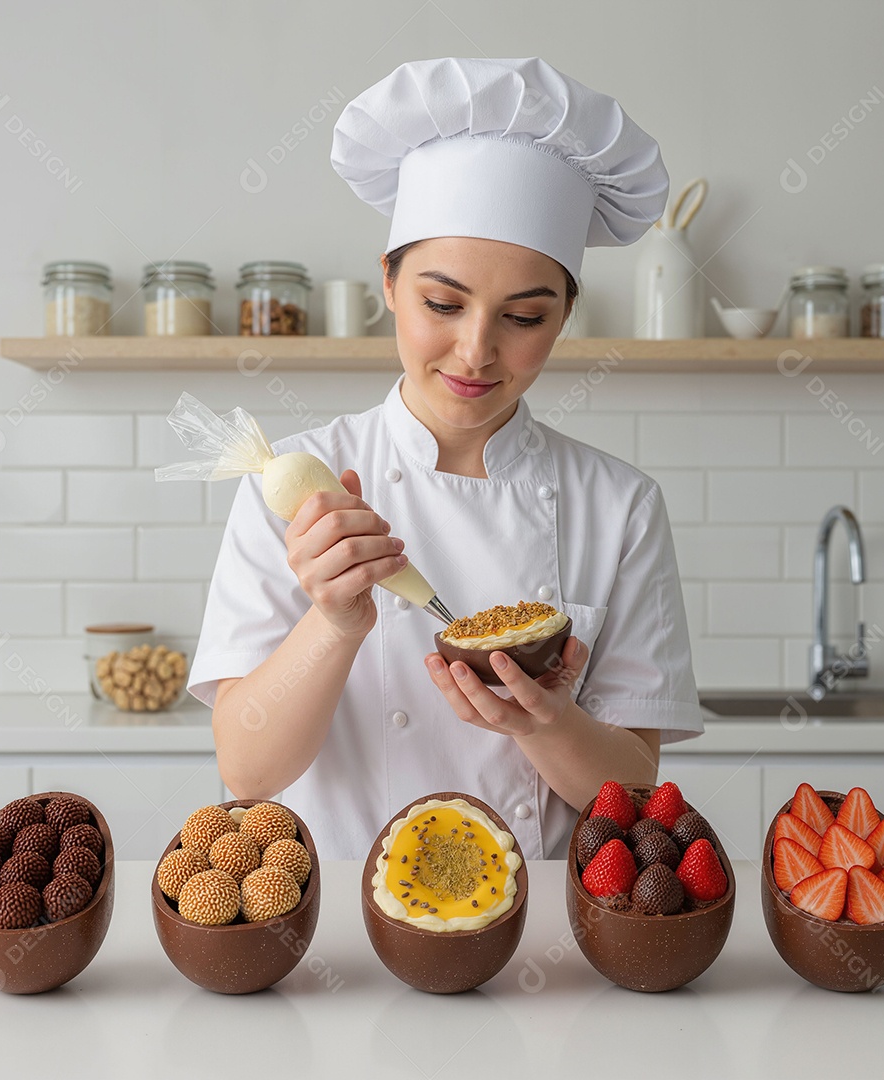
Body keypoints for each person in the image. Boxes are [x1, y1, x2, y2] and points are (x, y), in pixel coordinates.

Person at [187, 57, 703, 860]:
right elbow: (246, 768)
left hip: (543, 939)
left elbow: (637, 800)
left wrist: (546, 720)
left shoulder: (620, 504)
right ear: (388, 283)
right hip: (344, 937)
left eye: (525, 315)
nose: (475, 350)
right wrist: (335, 622)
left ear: (565, 314)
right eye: (442, 303)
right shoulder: (293, 483)